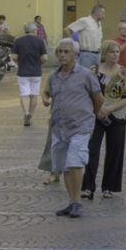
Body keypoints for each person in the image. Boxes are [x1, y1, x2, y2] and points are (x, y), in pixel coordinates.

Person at [42, 38, 103, 218]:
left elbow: (98, 99)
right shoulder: (53, 76)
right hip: (60, 128)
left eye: (66, 52)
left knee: (75, 163)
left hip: (80, 126)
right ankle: (71, 202)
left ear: (75, 55)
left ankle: (77, 202)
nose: (62, 55)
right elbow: (50, 95)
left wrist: (90, 117)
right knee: (65, 166)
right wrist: (45, 99)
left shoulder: (86, 75)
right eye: (60, 51)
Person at [81, 40, 126, 201]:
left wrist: (109, 109)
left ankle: (109, 187)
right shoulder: (93, 71)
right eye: (112, 52)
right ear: (104, 54)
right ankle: (87, 187)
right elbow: (86, 94)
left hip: (117, 116)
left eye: (117, 51)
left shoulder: (124, 73)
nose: (115, 54)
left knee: (115, 152)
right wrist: (98, 109)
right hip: (96, 116)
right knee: (91, 151)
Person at [12, 27, 47, 126]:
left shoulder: (18, 41)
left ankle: (26, 113)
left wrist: (20, 61)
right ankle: (30, 116)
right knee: (34, 96)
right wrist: (38, 64)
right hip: (36, 72)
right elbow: (45, 57)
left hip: (23, 72)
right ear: (34, 30)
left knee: (24, 94)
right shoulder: (40, 41)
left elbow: (14, 56)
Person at [66, 3, 106, 69]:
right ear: (97, 12)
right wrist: (73, 43)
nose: (104, 16)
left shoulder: (99, 24)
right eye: (103, 13)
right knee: (85, 75)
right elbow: (67, 29)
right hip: (87, 54)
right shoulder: (85, 21)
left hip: (98, 54)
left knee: (97, 76)